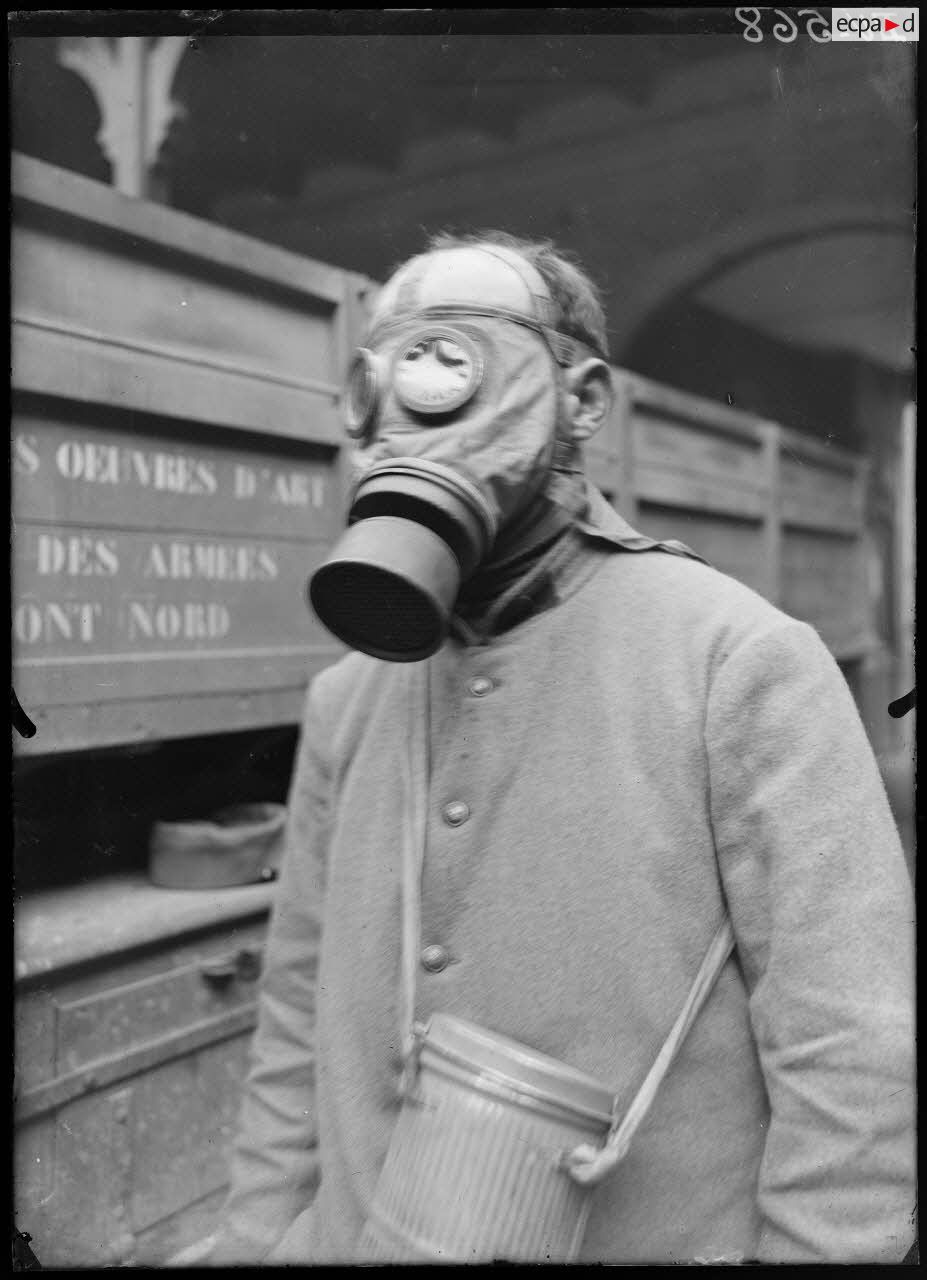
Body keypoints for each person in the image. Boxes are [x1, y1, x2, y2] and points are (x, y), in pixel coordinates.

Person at [208, 232, 915, 1265]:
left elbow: (850, 1047)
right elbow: (295, 1022)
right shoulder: (348, 697)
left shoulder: (739, 659)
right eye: (392, 376)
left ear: (582, 401)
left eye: (458, 366)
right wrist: (257, 1245)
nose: (415, 415)